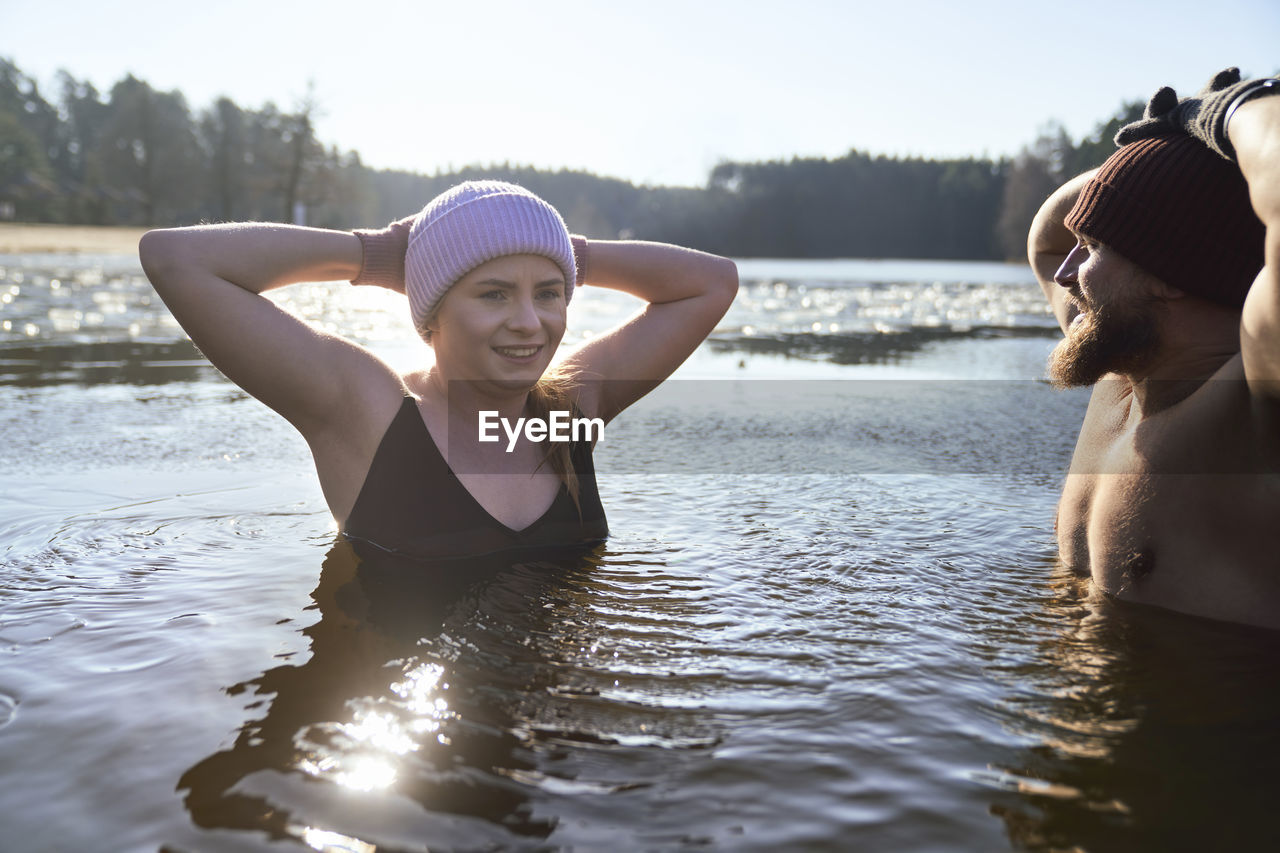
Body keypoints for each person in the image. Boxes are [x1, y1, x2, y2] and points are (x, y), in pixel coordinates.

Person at [139, 181, 738, 560]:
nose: (531, 322)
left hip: (558, 750)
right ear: (433, 314)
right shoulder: (369, 411)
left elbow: (713, 283)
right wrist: (375, 255)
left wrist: (555, 246)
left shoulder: (570, 409)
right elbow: (177, 258)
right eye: (494, 294)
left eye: (550, 293)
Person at [1026, 69, 1280, 629]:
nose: (1066, 271)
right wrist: (1168, 144)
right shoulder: (1121, 360)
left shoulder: (1256, 410)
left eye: (1091, 247)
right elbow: (1045, 238)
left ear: (1168, 277)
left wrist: (1234, 109)